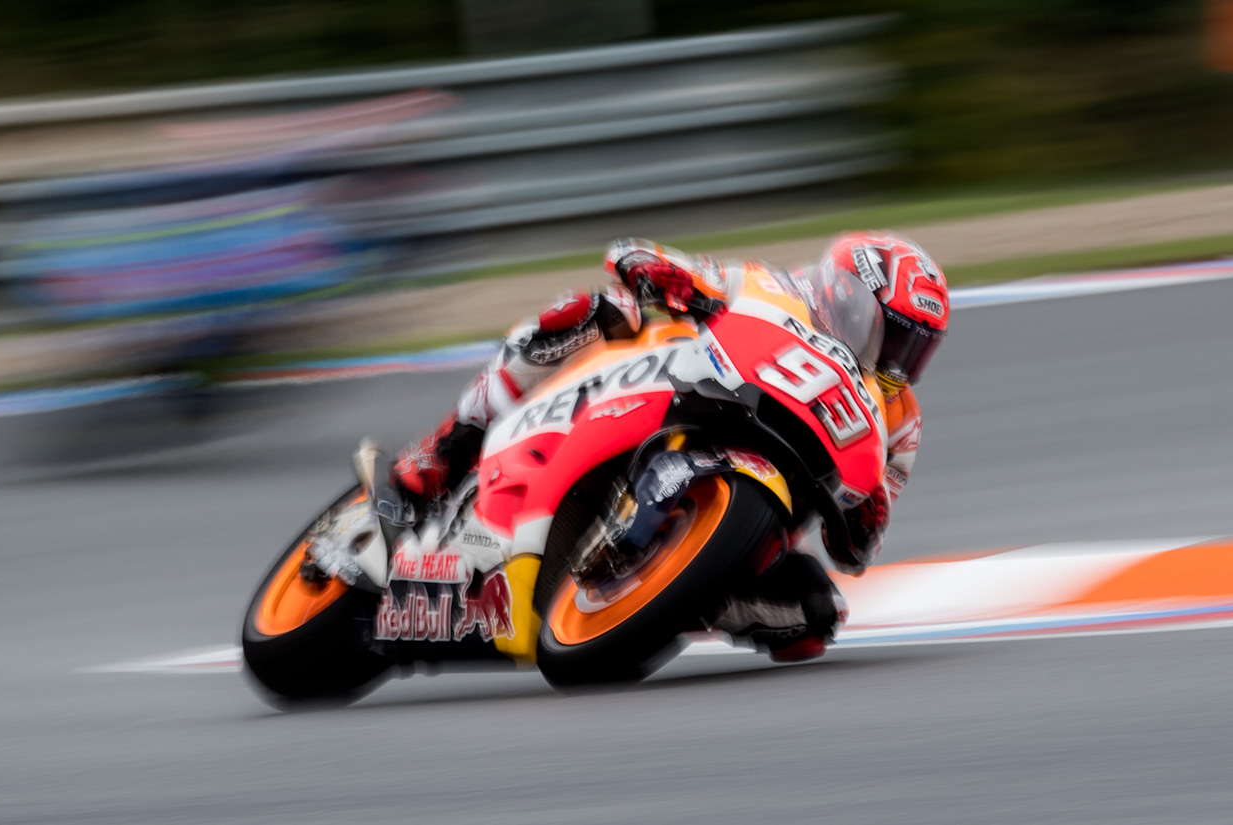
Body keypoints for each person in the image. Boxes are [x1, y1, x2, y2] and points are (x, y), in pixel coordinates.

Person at [393, 232, 950, 661]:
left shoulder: (899, 423)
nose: (898, 362)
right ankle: (445, 447)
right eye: (893, 335)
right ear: (845, 295)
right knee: (594, 310)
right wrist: (658, 270)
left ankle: (668, 591)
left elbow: (854, 550)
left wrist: (868, 517)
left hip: (758, 520)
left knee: (816, 614)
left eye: (915, 349)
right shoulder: (771, 287)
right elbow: (658, 261)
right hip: (693, 403)